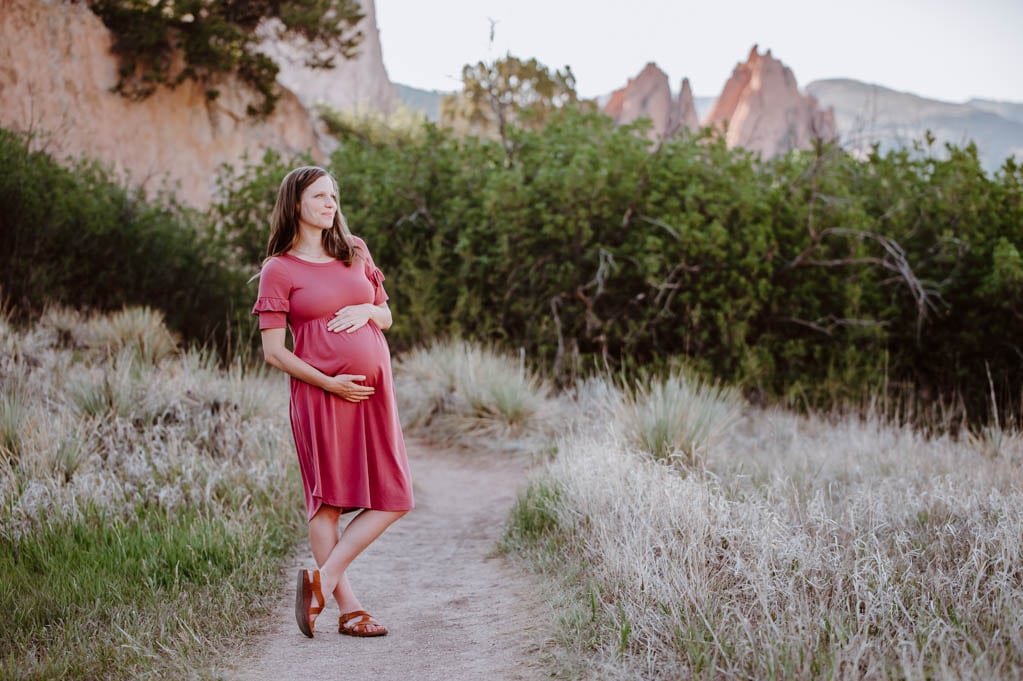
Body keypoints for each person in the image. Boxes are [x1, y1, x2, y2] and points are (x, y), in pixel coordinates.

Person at [252, 165, 413, 639]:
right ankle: (350, 609)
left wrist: (368, 309)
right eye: (320, 196)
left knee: (395, 497)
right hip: (321, 398)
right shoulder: (278, 269)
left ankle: (318, 581)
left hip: (373, 396)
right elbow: (274, 351)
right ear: (295, 204)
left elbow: (384, 314)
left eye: (334, 196)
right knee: (327, 505)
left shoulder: (355, 249)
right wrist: (330, 383)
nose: (331, 204)